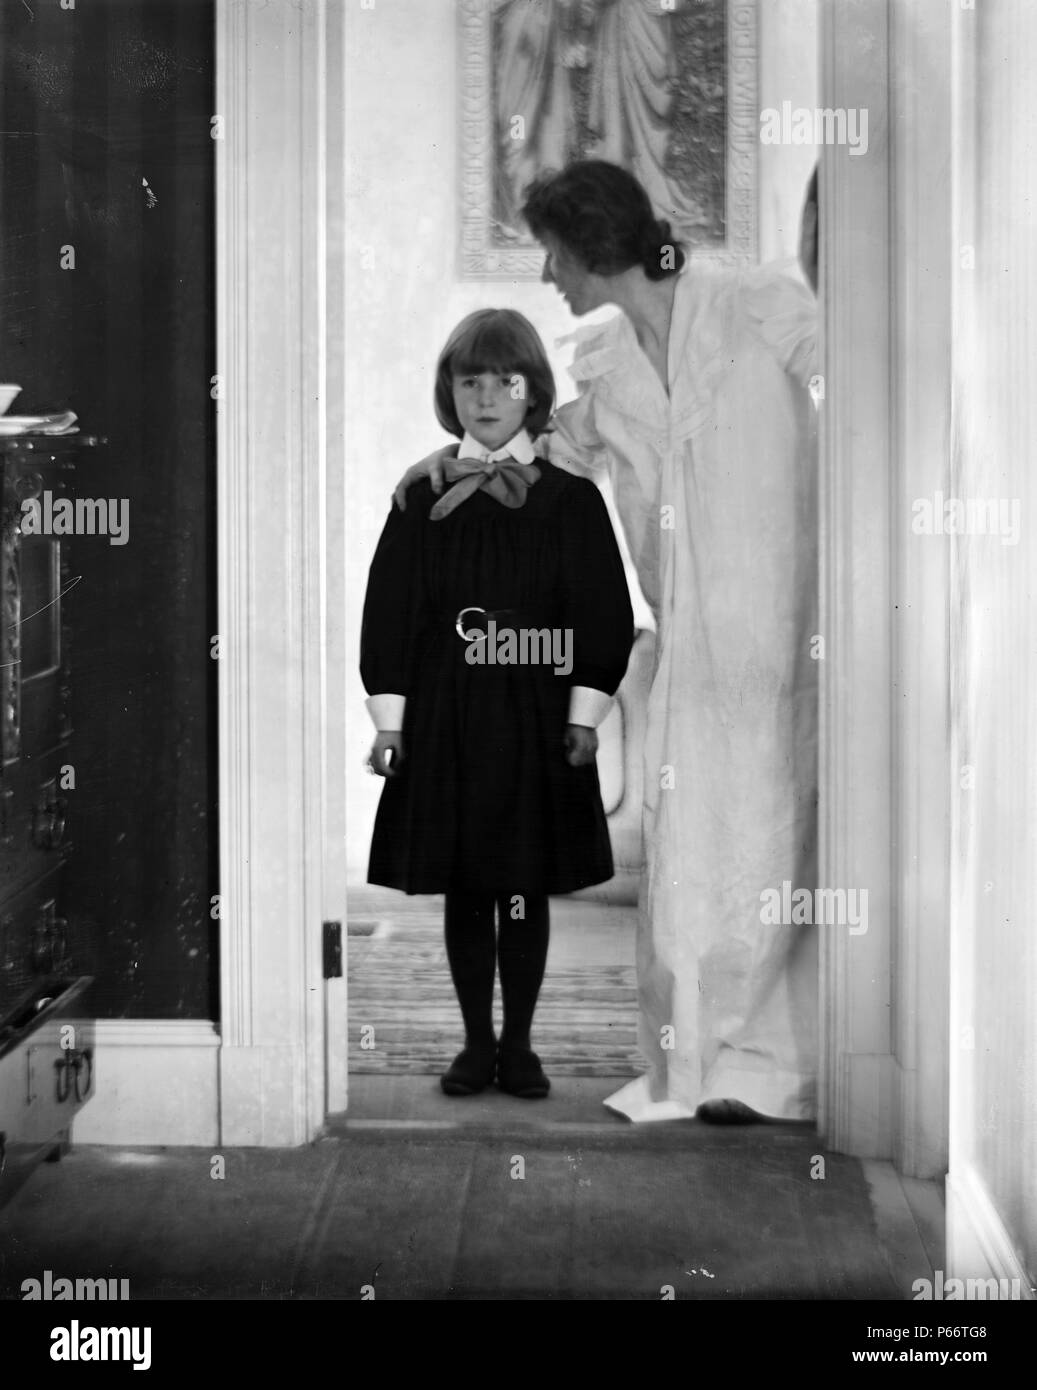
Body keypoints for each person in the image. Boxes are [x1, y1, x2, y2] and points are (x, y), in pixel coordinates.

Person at [395, 161, 819, 1124]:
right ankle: (702, 1070)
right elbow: (546, 451)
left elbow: (863, 412)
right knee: (691, 865)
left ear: (591, 245)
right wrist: (449, 460)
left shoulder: (757, 308)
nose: (546, 274)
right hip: (692, 657)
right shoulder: (608, 365)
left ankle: (774, 1067)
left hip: (794, 637)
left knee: (785, 854)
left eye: (551, 251)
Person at [362, 307, 634, 1100]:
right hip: (447, 717)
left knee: (520, 882)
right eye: (468, 381)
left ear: (532, 391)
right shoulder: (419, 499)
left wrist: (583, 714)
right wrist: (391, 722)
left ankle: (519, 1043)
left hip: (534, 718)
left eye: (504, 381)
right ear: (450, 393)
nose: (486, 397)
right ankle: (473, 1042)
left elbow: (601, 613)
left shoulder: (570, 502)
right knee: (465, 885)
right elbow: (390, 616)